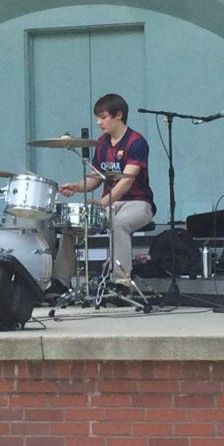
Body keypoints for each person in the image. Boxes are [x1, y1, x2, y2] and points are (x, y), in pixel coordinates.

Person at [46, 93, 155, 298]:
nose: (99, 122)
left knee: (119, 223)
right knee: (72, 224)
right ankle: (60, 282)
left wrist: (101, 203)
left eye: (103, 117)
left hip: (138, 203)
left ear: (119, 115)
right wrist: (77, 187)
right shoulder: (102, 143)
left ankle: (121, 284)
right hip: (109, 204)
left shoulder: (136, 142)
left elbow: (126, 181)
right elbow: (96, 178)